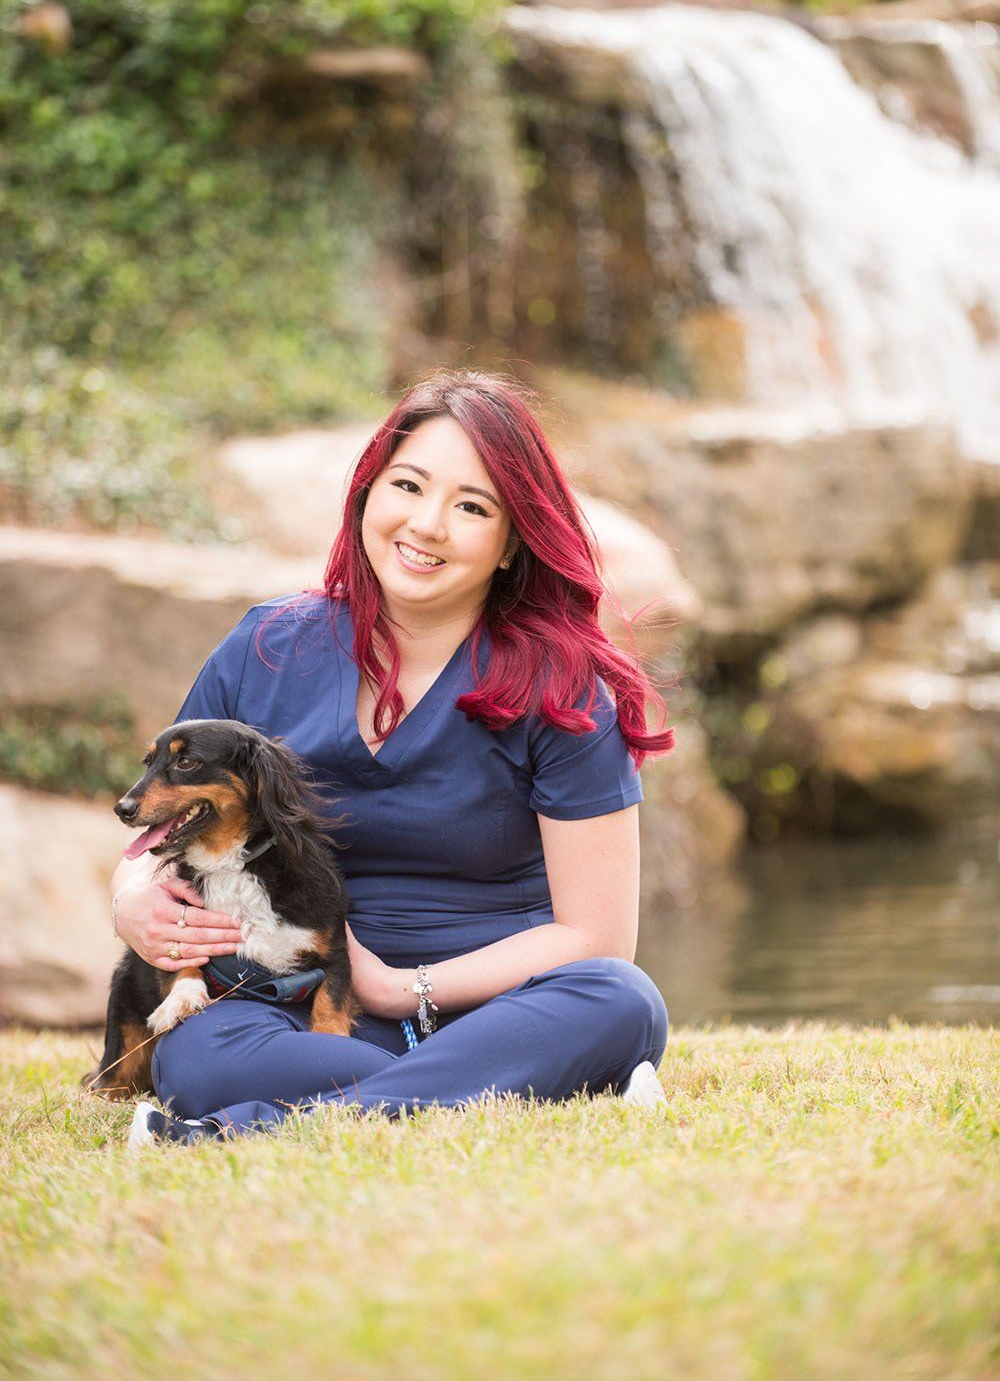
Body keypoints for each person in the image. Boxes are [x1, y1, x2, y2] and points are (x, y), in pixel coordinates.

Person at [112, 370, 674, 1146]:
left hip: (499, 1008)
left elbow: (599, 937)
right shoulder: (266, 647)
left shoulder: (565, 689)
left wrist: (396, 986)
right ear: (368, 491)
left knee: (621, 999)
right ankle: (532, 1083)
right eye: (408, 484)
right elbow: (164, 827)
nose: (428, 524)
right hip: (303, 1005)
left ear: (513, 541)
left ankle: (254, 1129)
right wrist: (129, 895)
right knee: (203, 1054)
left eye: (472, 506)